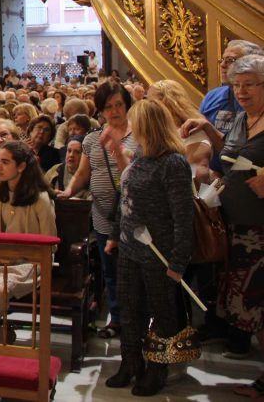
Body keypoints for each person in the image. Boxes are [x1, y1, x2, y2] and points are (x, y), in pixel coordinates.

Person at [182, 54, 264, 376]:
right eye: (236, 85)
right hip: (234, 224)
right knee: (246, 304)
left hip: (259, 229)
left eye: (249, 85)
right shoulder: (243, 119)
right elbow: (229, 154)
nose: (241, 92)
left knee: (257, 303)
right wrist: (207, 128)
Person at [105, 99, 193, 396]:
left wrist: (178, 261)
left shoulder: (173, 162)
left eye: (135, 124)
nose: (131, 129)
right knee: (130, 309)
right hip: (130, 248)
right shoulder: (142, 155)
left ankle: (158, 368)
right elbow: (125, 199)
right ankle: (130, 362)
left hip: (159, 252)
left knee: (161, 312)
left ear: (148, 126)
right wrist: (115, 234)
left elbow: (183, 216)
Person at [58, 81, 138, 338]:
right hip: (103, 215)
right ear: (101, 111)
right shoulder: (93, 139)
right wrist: (69, 191)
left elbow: (138, 174)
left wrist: (118, 150)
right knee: (110, 271)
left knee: (133, 272)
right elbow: (83, 172)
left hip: (132, 215)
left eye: (118, 105)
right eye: (108, 107)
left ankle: (137, 321)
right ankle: (117, 319)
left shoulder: (139, 136)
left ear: (127, 106)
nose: (114, 111)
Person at [0, 140, 57, 344]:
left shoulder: (40, 198)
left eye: (5, 162)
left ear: (21, 167)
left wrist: (12, 257)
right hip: (3, 258)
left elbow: (50, 243)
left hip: (31, 261)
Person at [200, 40, 263, 138]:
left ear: (251, 64)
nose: (222, 65)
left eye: (230, 60)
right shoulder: (212, 96)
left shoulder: (258, 100)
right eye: (222, 60)